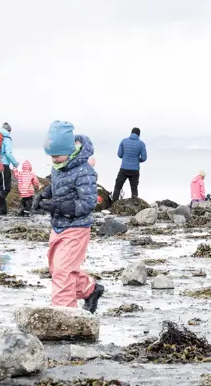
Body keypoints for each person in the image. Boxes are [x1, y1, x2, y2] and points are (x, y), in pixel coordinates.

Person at [37, 120, 103, 314]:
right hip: (58, 226)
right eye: (51, 157)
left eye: (57, 156)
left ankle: (65, 317)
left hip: (77, 227)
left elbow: (89, 203)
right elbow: (60, 186)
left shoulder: (85, 172)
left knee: (63, 272)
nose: (54, 160)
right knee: (56, 268)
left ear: (69, 149)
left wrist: (59, 207)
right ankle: (91, 289)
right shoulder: (58, 166)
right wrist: (45, 193)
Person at [112, 127, 147, 203]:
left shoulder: (124, 141)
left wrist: (125, 158)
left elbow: (119, 154)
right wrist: (137, 160)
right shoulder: (141, 144)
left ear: (131, 133)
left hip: (124, 168)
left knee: (118, 186)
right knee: (134, 188)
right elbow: (144, 158)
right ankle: (135, 205)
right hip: (135, 170)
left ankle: (114, 204)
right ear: (139, 134)